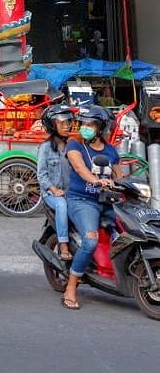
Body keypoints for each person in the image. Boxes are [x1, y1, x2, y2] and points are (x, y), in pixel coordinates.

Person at [61, 103, 123, 311]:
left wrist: (126, 185)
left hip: (107, 201)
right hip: (82, 201)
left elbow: (119, 175)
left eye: (90, 124)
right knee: (90, 241)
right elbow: (79, 168)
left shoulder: (111, 151)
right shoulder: (74, 145)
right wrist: (96, 180)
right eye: (83, 123)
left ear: (101, 128)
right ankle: (71, 287)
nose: (85, 127)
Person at [37, 103, 75, 262]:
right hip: (51, 194)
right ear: (52, 125)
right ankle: (64, 245)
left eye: (68, 122)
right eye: (62, 123)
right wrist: (54, 189)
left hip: (71, 192)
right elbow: (42, 175)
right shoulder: (45, 148)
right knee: (61, 205)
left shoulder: (73, 146)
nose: (66, 126)